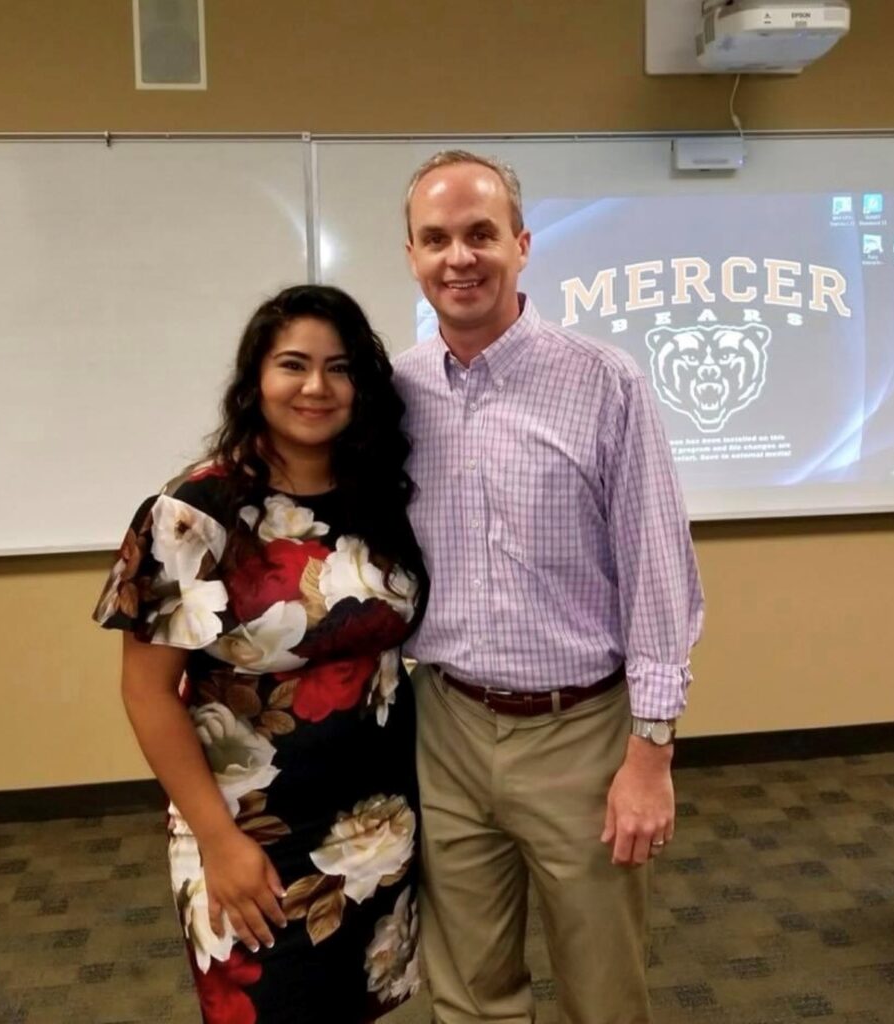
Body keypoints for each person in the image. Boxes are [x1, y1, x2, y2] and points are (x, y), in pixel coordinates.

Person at [393, 151, 704, 1024]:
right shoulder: (395, 393)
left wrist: (650, 754)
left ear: (522, 245)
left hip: (581, 734)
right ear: (412, 257)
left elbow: (658, 577)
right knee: (467, 991)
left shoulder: (605, 382)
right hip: (445, 725)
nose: (460, 257)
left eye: (480, 234)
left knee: (602, 990)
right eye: (436, 239)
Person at [93, 285, 428, 1024]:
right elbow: (148, 693)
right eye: (293, 365)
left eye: (338, 368)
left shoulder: (380, 497)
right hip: (247, 832)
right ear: (254, 382)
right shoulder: (191, 513)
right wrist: (219, 841)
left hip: (380, 822)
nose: (316, 386)